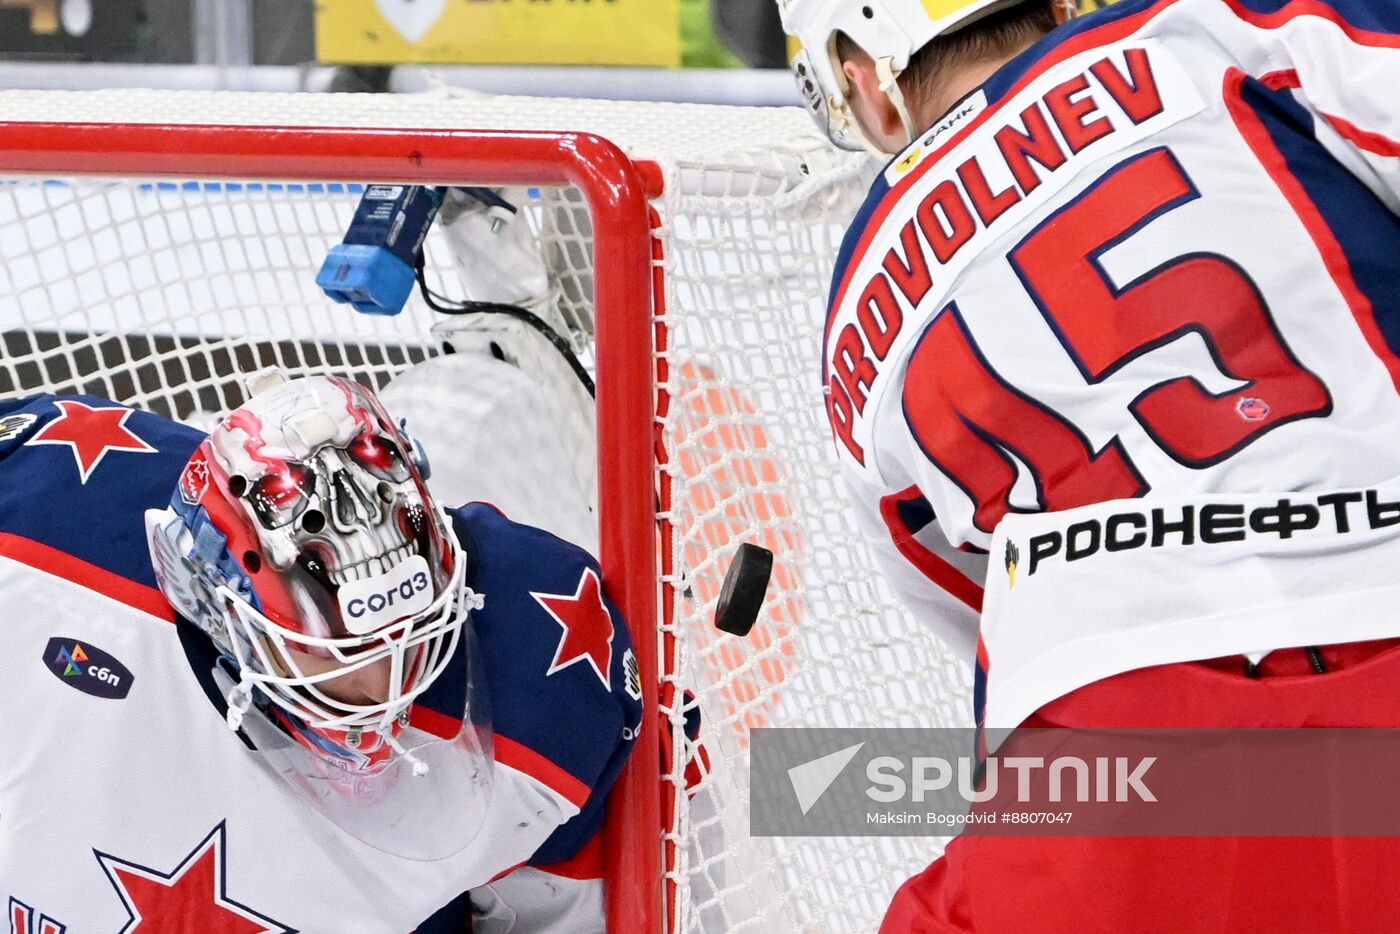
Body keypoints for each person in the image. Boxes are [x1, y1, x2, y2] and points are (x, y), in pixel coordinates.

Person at [781, 0, 1400, 930]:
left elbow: (971, 607)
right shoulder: (1211, 29)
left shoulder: (859, 312)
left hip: (1115, 770)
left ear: (862, 75)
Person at [0, 371, 641, 932]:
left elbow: (612, 888)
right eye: (338, 653)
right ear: (222, 608)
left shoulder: (547, 666)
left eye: (411, 634)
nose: (384, 688)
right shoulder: (32, 548)